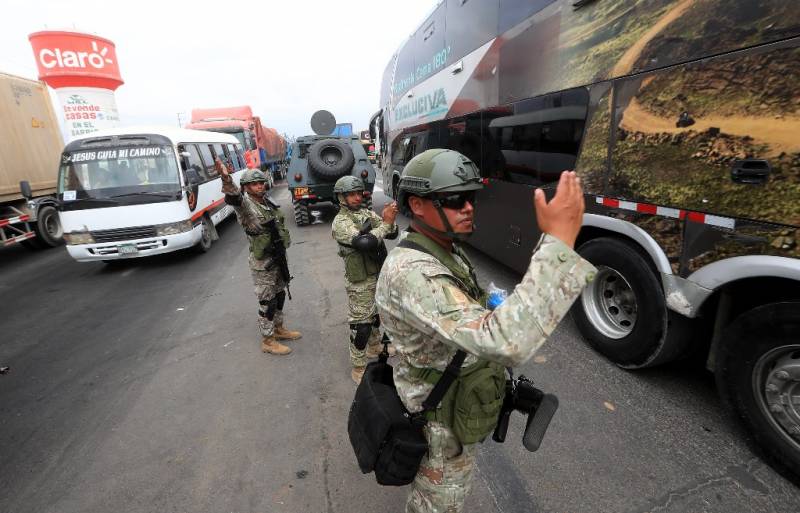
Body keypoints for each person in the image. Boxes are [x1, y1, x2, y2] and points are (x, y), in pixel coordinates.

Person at [374, 149, 597, 513]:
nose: (468, 207)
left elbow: (469, 311)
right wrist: (558, 245)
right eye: (453, 200)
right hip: (438, 424)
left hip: (454, 398)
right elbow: (504, 342)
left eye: (471, 197)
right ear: (417, 205)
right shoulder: (415, 272)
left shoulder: (444, 250)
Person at [218, 158, 302, 355]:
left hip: (278, 255)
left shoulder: (266, 201)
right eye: (254, 184)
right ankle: (268, 339)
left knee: (280, 293)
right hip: (263, 262)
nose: (260, 186)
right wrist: (225, 178)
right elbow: (233, 198)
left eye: (261, 182)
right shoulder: (246, 205)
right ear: (246, 187)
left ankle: (279, 329)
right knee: (268, 301)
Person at [331, 175, 399, 383]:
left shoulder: (366, 213)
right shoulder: (340, 221)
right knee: (361, 326)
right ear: (341, 197)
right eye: (350, 194)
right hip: (359, 281)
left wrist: (390, 220)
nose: (356, 197)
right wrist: (386, 224)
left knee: (376, 316)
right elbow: (364, 243)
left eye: (358, 193)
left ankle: (375, 346)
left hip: (376, 273)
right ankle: (358, 367)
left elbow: (391, 234)